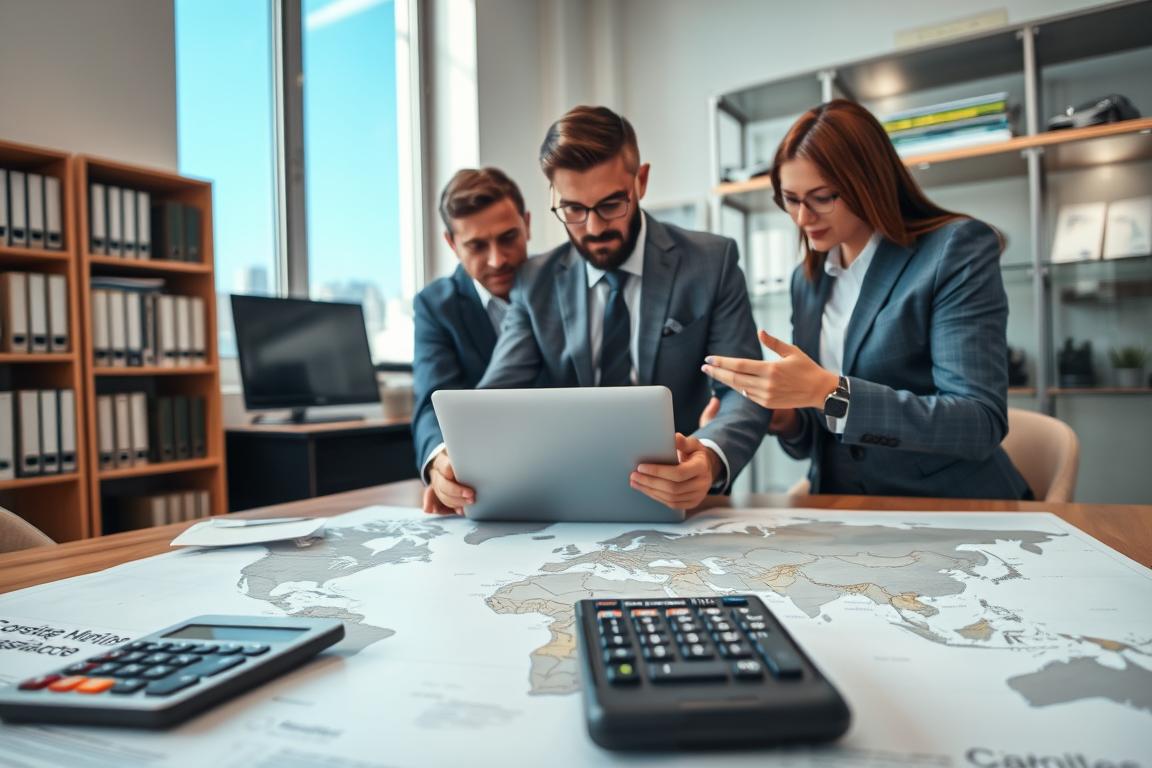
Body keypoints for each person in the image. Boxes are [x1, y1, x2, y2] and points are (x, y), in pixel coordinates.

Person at [424, 106, 769, 515]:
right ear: (553, 196)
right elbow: (493, 400)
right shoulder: (534, 281)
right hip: (568, 501)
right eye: (573, 209)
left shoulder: (711, 262)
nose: (592, 228)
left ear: (640, 181)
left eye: (610, 205)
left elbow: (745, 391)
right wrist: (452, 460)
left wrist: (710, 456)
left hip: (686, 503)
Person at [701, 99, 1029, 499]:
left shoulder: (954, 249)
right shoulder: (806, 281)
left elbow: (979, 422)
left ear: (868, 182)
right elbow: (817, 437)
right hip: (844, 506)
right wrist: (786, 415)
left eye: (822, 197)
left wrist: (827, 391)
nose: (803, 218)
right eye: (790, 199)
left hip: (948, 507)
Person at [412, 168, 533, 509]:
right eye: (477, 246)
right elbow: (430, 401)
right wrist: (440, 462)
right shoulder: (435, 307)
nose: (498, 259)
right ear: (452, 243)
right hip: (484, 487)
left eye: (509, 237)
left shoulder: (560, 285)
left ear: (527, 224)